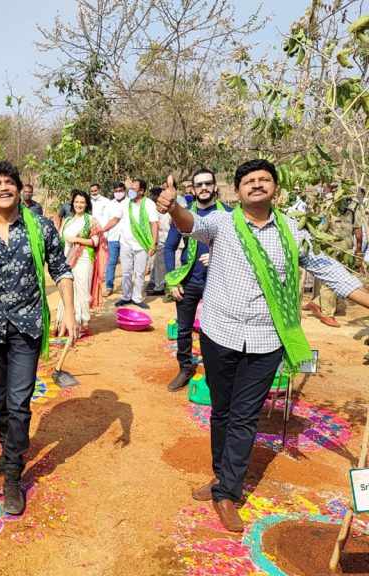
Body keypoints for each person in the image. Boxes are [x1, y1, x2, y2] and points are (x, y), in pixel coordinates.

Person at [157, 158, 369, 533]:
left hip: (266, 340)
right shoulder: (222, 223)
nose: (256, 184)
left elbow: (326, 268)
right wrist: (174, 207)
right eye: (249, 181)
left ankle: (227, 492)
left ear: (275, 188)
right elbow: (191, 225)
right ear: (237, 191)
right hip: (220, 335)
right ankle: (221, 476)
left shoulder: (292, 231)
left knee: (244, 416)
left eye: (264, 179)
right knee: (221, 411)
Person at [0, 160, 77, 516]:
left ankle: (12, 475)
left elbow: (61, 269)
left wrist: (68, 312)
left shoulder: (40, 227)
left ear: (19, 190)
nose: (3, 187)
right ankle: (10, 452)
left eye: (9, 182)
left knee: (19, 404)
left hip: (27, 328)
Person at [163, 168, 229, 392]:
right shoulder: (183, 216)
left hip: (218, 283)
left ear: (215, 186)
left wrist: (218, 255)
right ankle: (185, 368)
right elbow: (169, 247)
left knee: (214, 331)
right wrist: (173, 280)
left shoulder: (230, 215)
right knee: (183, 329)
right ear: (192, 188)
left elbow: (240, 250)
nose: (203, 188)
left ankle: (214, 373)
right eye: (199, 184)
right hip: (188, 281)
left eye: (207, 183)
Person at [303, 183, 365, 327]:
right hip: (330, 251)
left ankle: (316, 303)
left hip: (346, 251)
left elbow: (357, 229)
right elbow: (320, 232)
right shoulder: (329, 208)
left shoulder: (353, 208)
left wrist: (358, 250)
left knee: (342, 279)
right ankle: (327, 313)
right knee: (330, 281)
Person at [56, 189, 108, 335]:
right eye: (76, 202)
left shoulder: (91, 220)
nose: (79, 205)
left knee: (82, 290)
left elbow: (95, 242)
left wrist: (76, 240)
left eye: (82, 202)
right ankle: (66, 322)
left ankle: (83, 322)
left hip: (83, 258)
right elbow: (61, 240)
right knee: (68, 289)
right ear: (72, 203)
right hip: (67, 259)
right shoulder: (67, 221)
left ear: (86, 204)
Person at [109, 179, 159, 309]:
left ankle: (137, 298)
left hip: (142, 244)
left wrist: (153, 243)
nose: (130, 191)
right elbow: (115, 219)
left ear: (141, 191)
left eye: (133, 189)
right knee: (126, 272)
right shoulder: (125, 203)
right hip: (125, 243)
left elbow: (154, 224)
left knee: (140, 272)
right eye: (130, 188)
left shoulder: (149, 204)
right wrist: (102, 229)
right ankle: (126, 296)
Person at [146, 187, 171, 296]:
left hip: (167, 239)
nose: (151, 198)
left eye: (152, 196)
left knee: (162, 264)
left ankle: (160, 286)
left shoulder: (168, 206)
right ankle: (156, 283)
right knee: (156, 263)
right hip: (158, 239)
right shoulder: (153, 207)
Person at [103, 182, 127, 295]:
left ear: (125, 191)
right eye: (116, 191)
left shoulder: (130, 203)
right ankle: (109, 287)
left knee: (126, 264)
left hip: (126, 238)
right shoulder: (110, 204)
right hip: (112, 237)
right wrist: (105, 236)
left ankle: (124, 287)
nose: (118, 193)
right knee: (111, 262)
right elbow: (106, 220)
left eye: (120, 191)